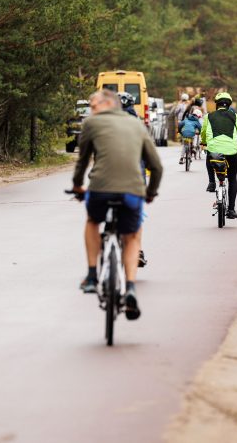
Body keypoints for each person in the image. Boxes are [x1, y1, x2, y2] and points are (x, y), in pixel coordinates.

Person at [72, 89, 163, 319]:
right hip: (133, 190)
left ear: (108, 105)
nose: (91, 110)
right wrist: (150, 193)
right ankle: (130, 287)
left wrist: (77, 185)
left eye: (94, 106)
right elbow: (157, 167)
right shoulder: (137, 125)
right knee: (132, 236)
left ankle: (92, 275)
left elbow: (82, 161)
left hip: (100, 189)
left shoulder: (92, 124)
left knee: (93, 221)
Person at [201, 92, 237, 218]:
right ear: (229, 105)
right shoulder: (234, 116)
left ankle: (211, 182)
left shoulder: (209, 116)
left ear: (216, 104)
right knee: (232, 178)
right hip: (231, 151)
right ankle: (231, 209)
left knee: (209, 153)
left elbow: (203, 132)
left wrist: (203, 142)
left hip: (214, 150)